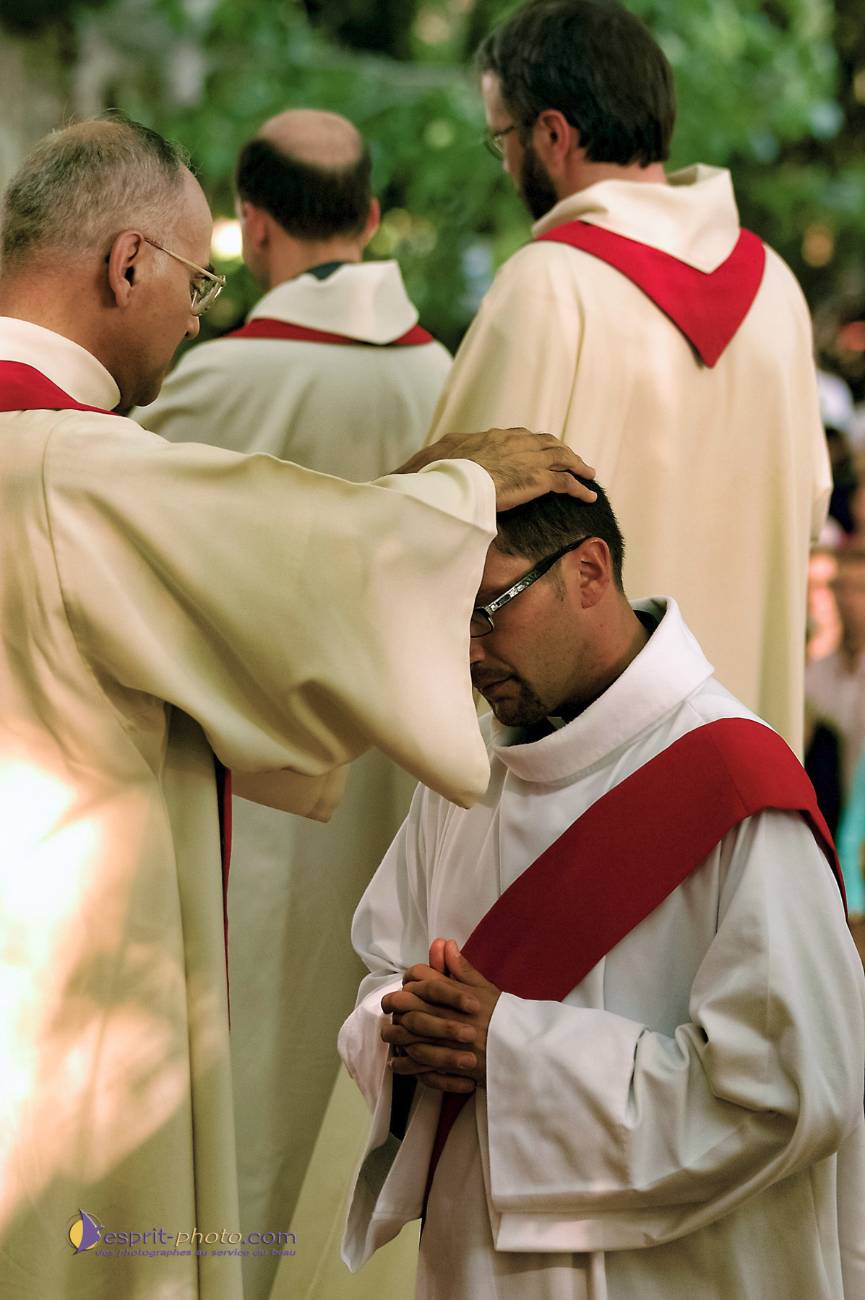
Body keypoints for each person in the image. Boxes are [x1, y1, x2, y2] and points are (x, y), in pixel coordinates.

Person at [0, 114, 594, 1299]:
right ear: (128, 263)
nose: (196, 317)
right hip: (56, 967)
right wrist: (469, 497)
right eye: (193, 281)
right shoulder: (65, 463)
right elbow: (299, 557)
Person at [339, 484, 865, 1299]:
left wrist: (510, 1048)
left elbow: (789, 1089)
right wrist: (406, 1031)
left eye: (485, 609)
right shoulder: (465, 777)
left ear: (588, 571)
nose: (467, 653)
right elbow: (382, 972)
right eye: (446, 618)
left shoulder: (732, 779)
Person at [135, 108, 454, 1300]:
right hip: (408, 787)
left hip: (257, 795)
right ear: (370, 218)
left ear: (251, 223)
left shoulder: (214, 379)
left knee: (251, 1063)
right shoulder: (446, 377)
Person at [427, 0, 831, 752]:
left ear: (552, 135)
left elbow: (448, 527)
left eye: (501, 138)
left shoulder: (548, 284)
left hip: (591, 765)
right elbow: (809, 511)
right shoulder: (775, 287)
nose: (506, 162)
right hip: (746, 748)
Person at [807, 548, 865, 915]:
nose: (848, 600)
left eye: (859, 589)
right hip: (830, 828)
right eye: (841, 588)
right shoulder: (816, 674)